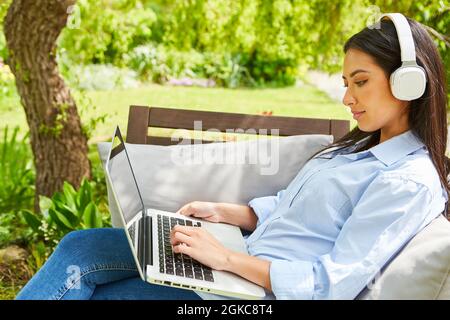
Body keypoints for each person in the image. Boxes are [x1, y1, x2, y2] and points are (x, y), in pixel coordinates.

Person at [16, 14, 449, 300]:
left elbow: (330, 284)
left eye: (360, 82)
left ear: (409, 83)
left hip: (248, 293)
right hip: (237, 259)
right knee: (81, 245)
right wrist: (229, 213)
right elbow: (298, 213)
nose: (346, 97)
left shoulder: (405, 181)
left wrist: (223, 260)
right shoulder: (361, 149)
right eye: (345, 82)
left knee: (92, 289)